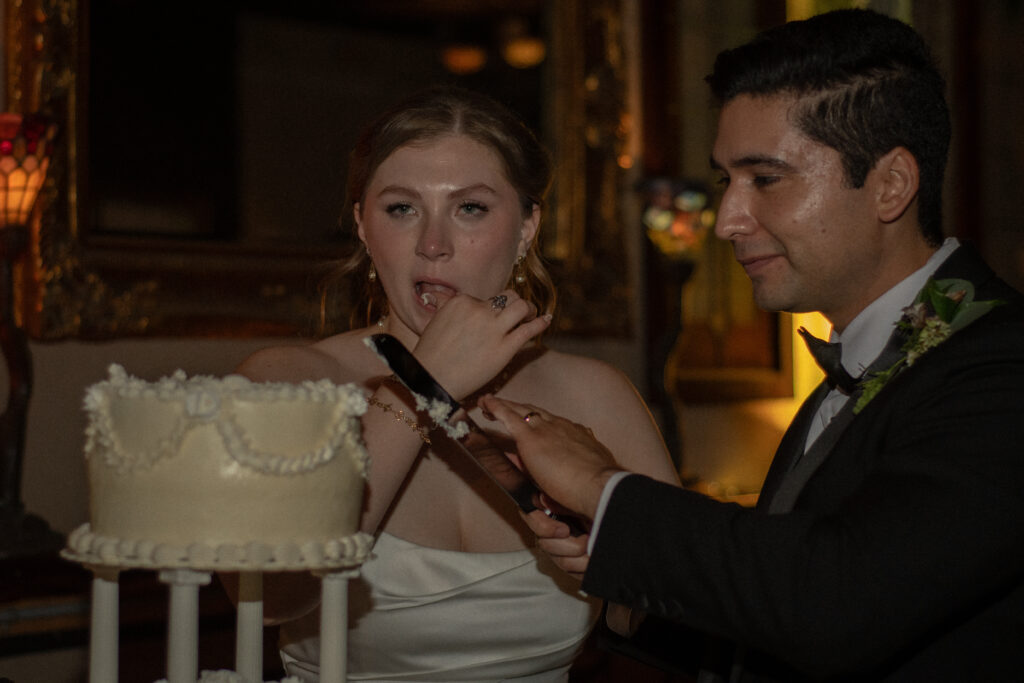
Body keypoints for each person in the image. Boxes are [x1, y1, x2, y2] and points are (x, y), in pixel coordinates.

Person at [482, 8, 1024, 682]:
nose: (728, 221)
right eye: (725, 182)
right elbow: (779, 623)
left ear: (890, 184)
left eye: (765, 179)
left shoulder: (1004, 366)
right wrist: (620, 585)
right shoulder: (851, 368)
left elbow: (840, 600)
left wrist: (603, 485)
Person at [227, 86, 680, 682]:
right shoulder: (288, 382)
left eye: (470, 208)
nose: (433, 245)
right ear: (362, 225)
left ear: (526, 227)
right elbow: (267, 596)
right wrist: (422, 388)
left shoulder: (597, 395)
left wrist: (613, 563)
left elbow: (669, 620)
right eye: (401, 209)